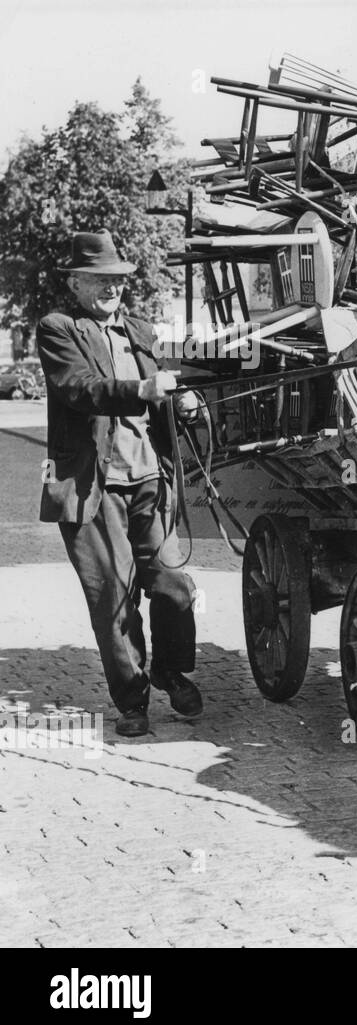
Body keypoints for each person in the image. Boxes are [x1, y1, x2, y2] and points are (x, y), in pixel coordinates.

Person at [37, 229, 201, 737]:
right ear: (76, 283)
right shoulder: (58, 328)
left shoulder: (139, 329)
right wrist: (142, 388)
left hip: (150, 475)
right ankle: (133, 700)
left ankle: (171, 671)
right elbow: (80, 389)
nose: (112, 288)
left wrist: (181, 402)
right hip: (94, 484)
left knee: (173, 586)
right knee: (112, 594)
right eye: (99, 279)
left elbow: (159, 395)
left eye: (118, 279)